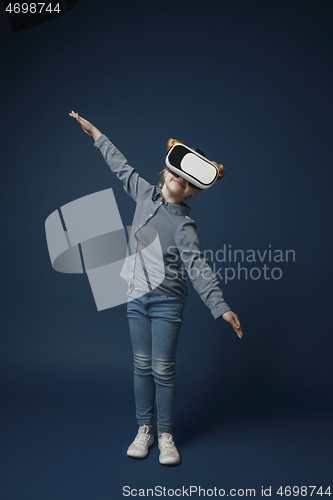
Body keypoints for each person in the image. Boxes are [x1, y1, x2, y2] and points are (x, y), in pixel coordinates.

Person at [69, 111, 243, 465]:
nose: (179, 180)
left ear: (194, 189)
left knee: (162, 368)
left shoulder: (185, 226)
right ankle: (143, 429)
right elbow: (121, 167)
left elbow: (199, 268)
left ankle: (165, 434)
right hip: (136, 296)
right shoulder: (143, 194)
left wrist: (220, 306)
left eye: (187, 180)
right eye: (175, 172)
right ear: (165, 171)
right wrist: (96, 134)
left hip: (167, 302)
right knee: (141, 364)